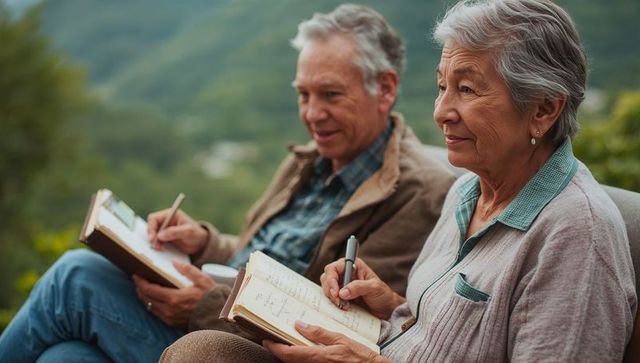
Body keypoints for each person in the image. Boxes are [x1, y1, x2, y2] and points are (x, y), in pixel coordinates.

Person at [159, 0, 637, 362]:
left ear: (544, 109)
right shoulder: (467, 190)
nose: (441, 111)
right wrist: (389, 306)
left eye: (467, 89)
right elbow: (432, 331)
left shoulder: (577, 233)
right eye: (441, 85)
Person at [0, 4, 456, 363]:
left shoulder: (419, 191)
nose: (312, 113)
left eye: (330, 94)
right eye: (303, 94)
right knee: (66, 357)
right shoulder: (314, 160)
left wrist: (205, 303)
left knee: (76, 277)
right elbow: (258, 254)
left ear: (387, 87)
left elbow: (352, 329)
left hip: (238, 347)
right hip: (211, 315)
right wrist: (202, 241)